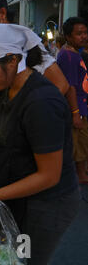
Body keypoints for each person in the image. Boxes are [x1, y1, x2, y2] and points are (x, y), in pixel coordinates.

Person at [0, 23, 80, 265]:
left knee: (26, 261)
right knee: (8, 258)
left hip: (46, 205)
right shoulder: (5, 90)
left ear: (12, 60)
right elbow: (0, 144)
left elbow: (49, 175)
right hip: (17, 194)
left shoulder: (41, 102)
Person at [0, 0, 73, 168]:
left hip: (12, 144)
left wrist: (27, 117)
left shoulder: (23, 42)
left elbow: (61, 84)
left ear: (1, 14)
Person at [57, 17, 88, 184]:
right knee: (79, 143)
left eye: (85, 32)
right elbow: (70, 87)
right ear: (68, 37)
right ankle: (80, 174)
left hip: (82, 106)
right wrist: (75, 113)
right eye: (79, 34)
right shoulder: (68, 56)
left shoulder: (76, 53)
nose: (83, 36)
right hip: (76, 108)